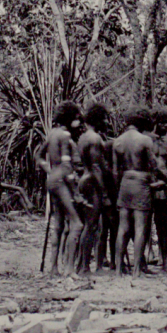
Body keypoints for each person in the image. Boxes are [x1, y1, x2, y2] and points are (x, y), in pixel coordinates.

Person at [112, 108, 163, 276]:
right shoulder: (145, 140)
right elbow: (154, 165)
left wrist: (118, 189)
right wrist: (164, 181)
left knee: (123, 228)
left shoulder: (117, 142)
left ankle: (119, 270)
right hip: (141, 181)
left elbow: (115, 171)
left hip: (125, 183)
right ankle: (136, 271)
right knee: (140, 228)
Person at [36, 101, 84, 276]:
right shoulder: (64, 136)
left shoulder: (51, 134)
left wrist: (49, 170)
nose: (78, 122)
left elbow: (39, 156)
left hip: (52, 179)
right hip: (62, 181)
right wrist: (76, 192)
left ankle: (54, 267)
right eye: (77, 118)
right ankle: (69, 269)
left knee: (58, 225)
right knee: (77, 224)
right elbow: (66, 165)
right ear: (69, 117)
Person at [75, 103, 109, 274]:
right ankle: (85, 267)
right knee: (91, 225)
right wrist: (103, 192)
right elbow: (96, 167)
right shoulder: (94, 139)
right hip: (92, 182)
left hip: (85, 180)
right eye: (104, 118)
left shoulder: (83, 137)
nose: (106, 122)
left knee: (88, 225)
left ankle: (82, 264)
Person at [148, 109, 167, 269]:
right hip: (147, 186)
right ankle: (148, 252)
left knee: (162, 222)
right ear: (157, 124)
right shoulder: (146, 141)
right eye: (165, 124)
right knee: (144, 222)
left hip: (163, 188)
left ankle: (163, 256)